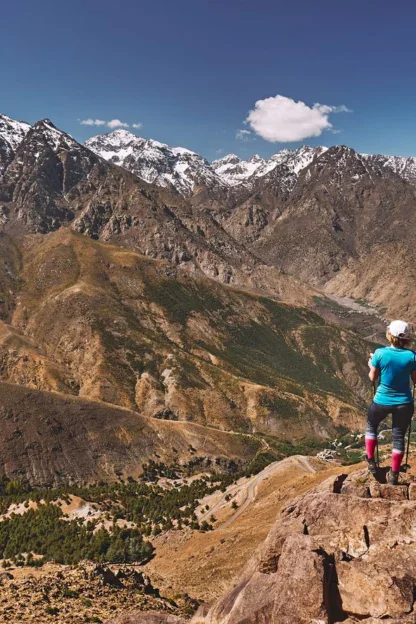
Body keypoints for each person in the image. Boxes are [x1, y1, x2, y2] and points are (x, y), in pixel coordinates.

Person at [366, 320, 416, 484]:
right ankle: (394, 474)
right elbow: (415, 381)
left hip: (382, 400)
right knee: (399, 437)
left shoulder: (380, 354)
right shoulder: (411, 356)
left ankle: (371, 461)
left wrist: (371, 364)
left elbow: (373, 377)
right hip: (404, 403)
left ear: (389, 335)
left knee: (371, 426)